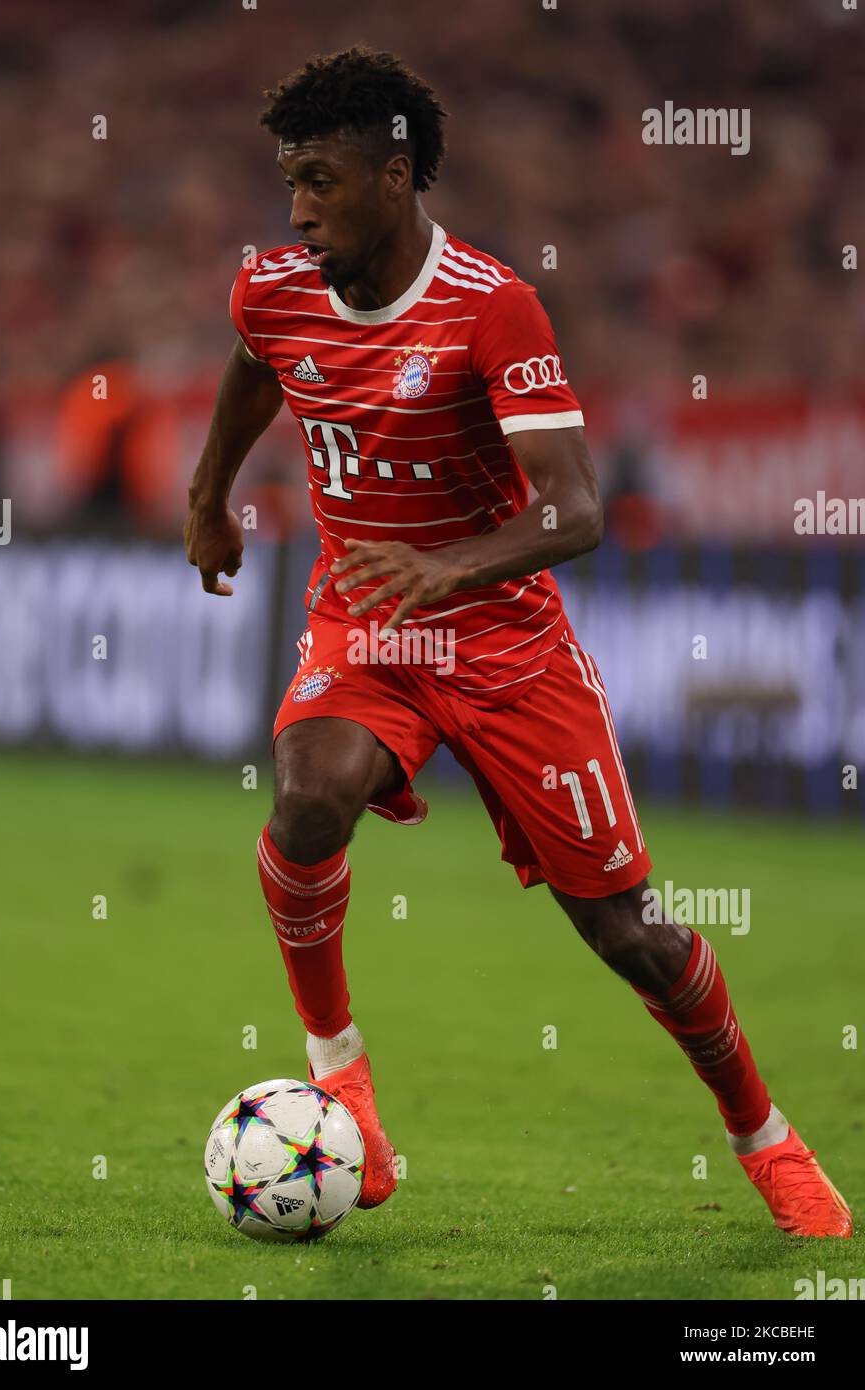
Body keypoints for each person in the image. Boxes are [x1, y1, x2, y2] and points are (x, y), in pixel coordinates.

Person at [184, 46, 850, 1237]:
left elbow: (575, 508)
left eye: (322, 181)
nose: (297, 209)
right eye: (289, 181)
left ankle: (765, 1136)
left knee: (628, 934)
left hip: (505, 647)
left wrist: (445, 567)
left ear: (395, 177)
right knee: (307, 797)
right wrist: (205, 501)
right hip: (368, 626)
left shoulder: (493, 307)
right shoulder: (275, 290)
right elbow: (253, 374)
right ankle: (342, 1075)